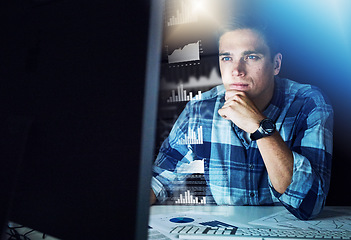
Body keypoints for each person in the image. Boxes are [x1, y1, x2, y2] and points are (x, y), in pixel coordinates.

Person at [150, 14, 333, 220]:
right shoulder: (200, 109)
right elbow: (157, 181)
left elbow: (310, 204)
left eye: (251, 57)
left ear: (276, 64)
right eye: (227, 58)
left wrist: (260, 126)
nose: (236, 70)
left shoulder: (308, 103)